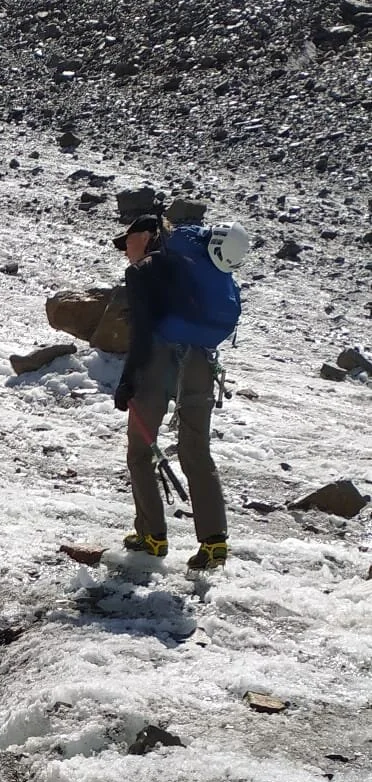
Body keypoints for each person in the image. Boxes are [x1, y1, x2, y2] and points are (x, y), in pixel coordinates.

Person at [114, 213, 248, 572]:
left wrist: (128, 381)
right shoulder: (199, 266)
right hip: (202, 360)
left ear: (146, 236)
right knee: (196, 450)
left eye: (127, 241)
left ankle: (152, 536)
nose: (125, 250)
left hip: (160, 358)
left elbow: (142, 331)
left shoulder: (145, 269)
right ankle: (214, 541)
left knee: (141, 451)